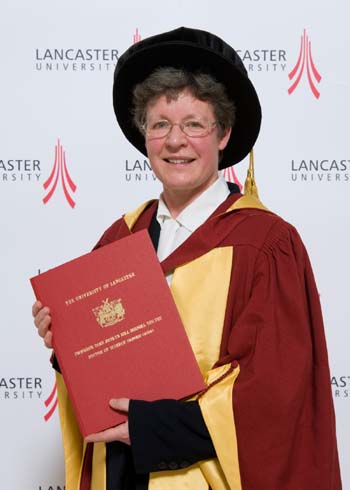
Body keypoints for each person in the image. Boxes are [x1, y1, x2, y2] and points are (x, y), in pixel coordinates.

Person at [32, 27, 342, 490]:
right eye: (160, 124)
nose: (175, 141)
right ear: (145, 137)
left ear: (224, 134)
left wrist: (155, 429)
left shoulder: (264, 243)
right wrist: (66, 346)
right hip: (122, 475)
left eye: (194, 124)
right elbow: (103, 372)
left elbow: (276, 396)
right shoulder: (120, 238)